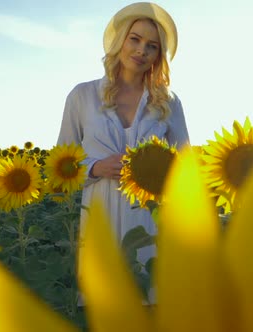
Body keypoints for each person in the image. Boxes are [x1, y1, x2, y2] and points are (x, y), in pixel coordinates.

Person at [56, 1, 190, 295]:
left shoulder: (167, 102)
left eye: (152, 46)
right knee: (104, 305)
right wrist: (95, 166)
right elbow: (59, 165)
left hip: (151, 225)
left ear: (159, 54)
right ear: (120, 41)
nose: (142, 50)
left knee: (152, 301)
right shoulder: (82, 96)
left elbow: (185, 166)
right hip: (99, 220)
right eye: (135, 39)